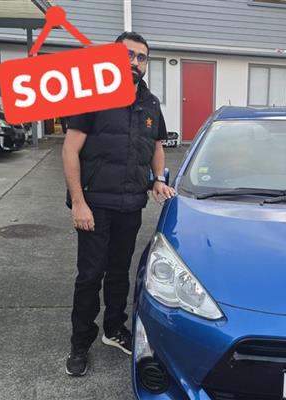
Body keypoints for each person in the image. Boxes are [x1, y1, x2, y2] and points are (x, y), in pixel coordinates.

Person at [61, 31, 176, 377]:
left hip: (131, 205)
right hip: (95, 206)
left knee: (118, 272)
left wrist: (158, 179)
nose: (135, 62)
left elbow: (157, 145)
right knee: (90, 276)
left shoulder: (151, 103)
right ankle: (80, 342)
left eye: (141, 57)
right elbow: (70, 151)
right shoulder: (91, 96)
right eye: (128, 54)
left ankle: (113, 329)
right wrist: (79, 203)